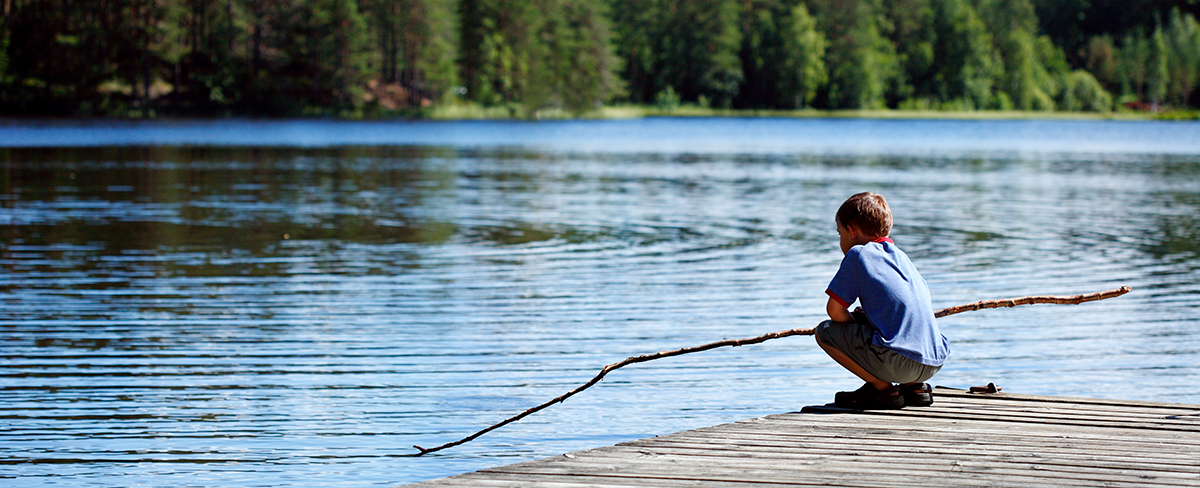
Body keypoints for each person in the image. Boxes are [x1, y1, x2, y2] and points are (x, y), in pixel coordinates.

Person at [815, 192, 948, 409]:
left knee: (825, 332)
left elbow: (834, 310)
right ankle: (915, 388)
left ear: (852, 231)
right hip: (933, 360)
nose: (841, 240)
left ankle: (883, 389)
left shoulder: (859, 254)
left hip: (900, 363)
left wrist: (855, 328)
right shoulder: (901, 257)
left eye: (839, 234)